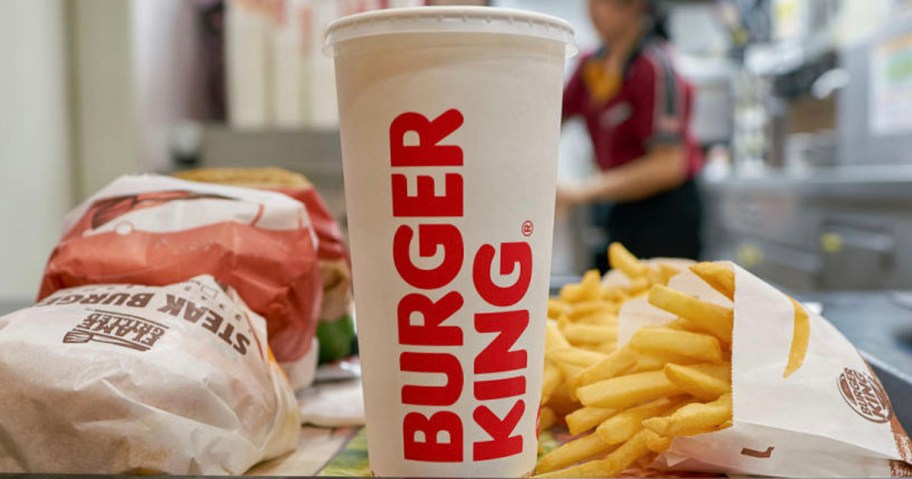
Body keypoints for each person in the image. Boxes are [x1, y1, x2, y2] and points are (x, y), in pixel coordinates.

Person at [558, 0, 703, 271]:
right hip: (618, 206)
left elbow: (669, 164)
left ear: (634, 6)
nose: (592, 10)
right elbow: (550, 122)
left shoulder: (656, 67)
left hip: (664, 212)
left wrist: (582, 190)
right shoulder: (593, 66)